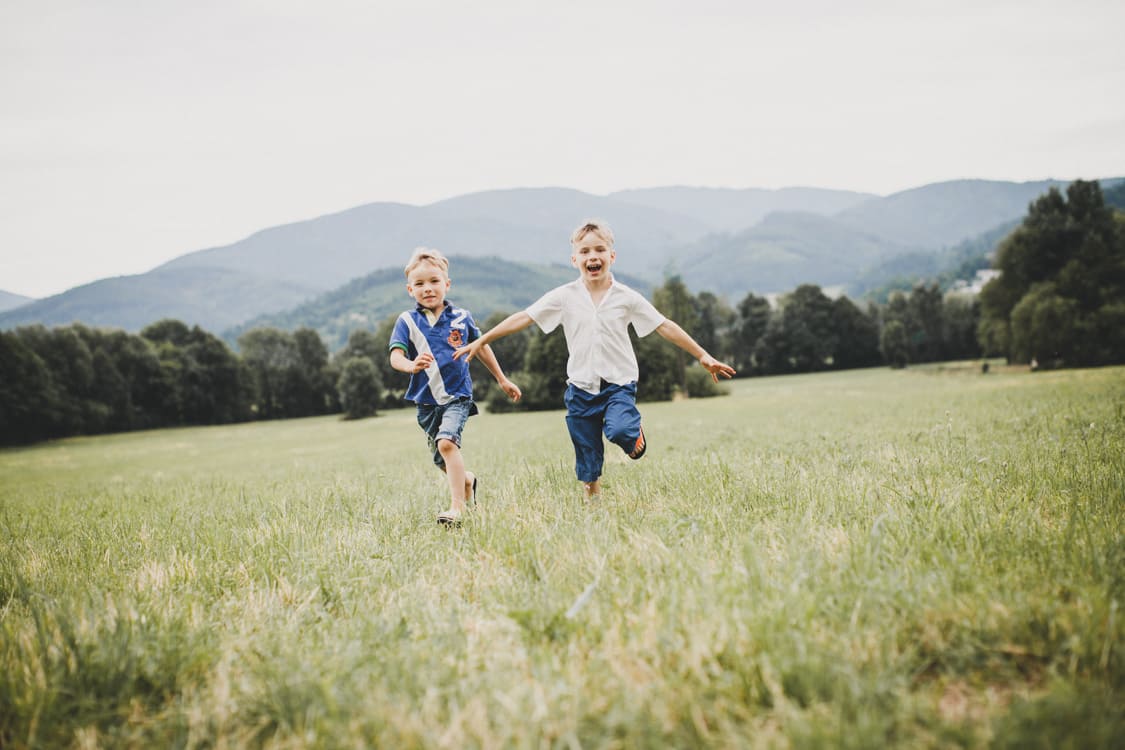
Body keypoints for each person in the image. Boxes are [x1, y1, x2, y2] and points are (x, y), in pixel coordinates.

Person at [454, 219, 735, 501]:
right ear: (574, 259)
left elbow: (664, 325)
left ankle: (634, 435)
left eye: (599, 250)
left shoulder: (627, 297)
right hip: (580, 387)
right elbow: (524, 317)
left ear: (611, 256)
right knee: (586, 450)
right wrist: (482, 339)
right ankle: (594, 505)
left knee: (619, 430)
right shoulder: (564, 296)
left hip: (618, 384)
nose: (592, 256)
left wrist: (702, 355)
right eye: (585, 251)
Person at [389, 247, 522, 525]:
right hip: (426, 401)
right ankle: (468, 481)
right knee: (441, 457)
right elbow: (395, 357)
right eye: (420, 284)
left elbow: (481, 348)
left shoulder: (462, 317)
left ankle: (457, 509)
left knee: (447, 443)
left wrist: (501, 378)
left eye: (434, 281)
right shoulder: (407, 321)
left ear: (447, 284)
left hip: (457, 396)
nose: (428, 288)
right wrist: (411, 365)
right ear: (409, 289)